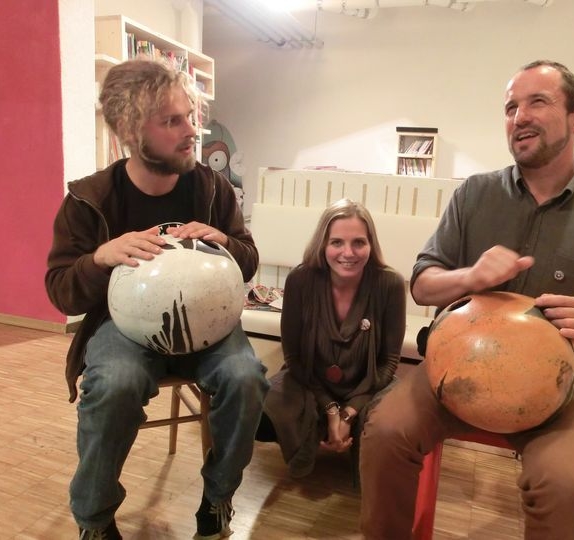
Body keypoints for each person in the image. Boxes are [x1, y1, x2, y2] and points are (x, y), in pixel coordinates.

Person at [359, 60, 574, 540]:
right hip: (453, 370)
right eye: (510, 107)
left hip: (555, 389)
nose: (519, 116)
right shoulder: (475, 194)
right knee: (385, 432)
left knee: (567, 488)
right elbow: (421, 285)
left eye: (537, 102)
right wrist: (470, 276)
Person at [45, 59, 269, 540]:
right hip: (123, 327)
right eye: (172, 121)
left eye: (189, 116)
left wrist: (227, 244)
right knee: (115, 383)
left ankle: (218, 497)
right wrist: (100, 258)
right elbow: (60, 289)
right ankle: (95, 518)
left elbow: (249, 260)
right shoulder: (88, 200)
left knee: (245, 378)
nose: (191, 132)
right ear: (131, 131)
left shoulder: (213, 188)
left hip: (210, 324)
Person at [257, 199, 406, 479]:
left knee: (395, 423)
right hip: (309, 380)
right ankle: (314, 436)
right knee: (260, 410)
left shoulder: (390, 284)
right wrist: (330, 407)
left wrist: (349, 412)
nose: (348, 253)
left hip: (370, 383)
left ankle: (356, 447)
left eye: (358, 242)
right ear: (322, 244)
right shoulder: (300, 279)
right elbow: (294, 357)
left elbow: (388, 362)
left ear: (371, 245)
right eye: (337, 242)